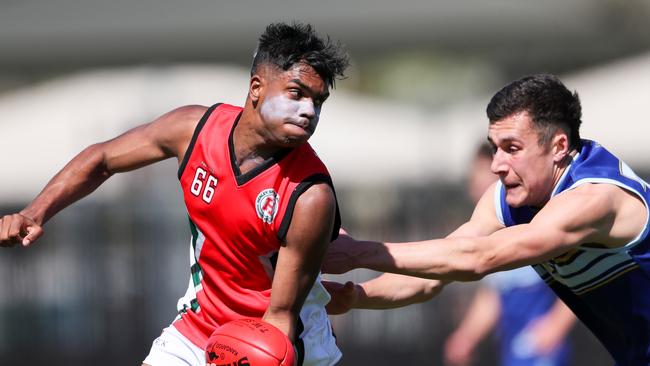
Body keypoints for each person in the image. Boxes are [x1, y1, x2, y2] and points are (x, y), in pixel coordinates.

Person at [0, 22, 349, 366]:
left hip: (275, 348)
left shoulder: (310, 195)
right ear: (256, 87)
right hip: (198, 331)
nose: (309, 112)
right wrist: (35, 213)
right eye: (296, 93)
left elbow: (280, 318)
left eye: (318, 101)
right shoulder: (194, 130)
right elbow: (102, 159)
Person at [323, 74, 650, 365]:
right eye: (495, 148)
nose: (496, 164)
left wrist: (357, 252)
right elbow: (433, 275)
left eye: (512, 148)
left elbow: (480, 258)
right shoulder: (507, 199)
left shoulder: (594, 199)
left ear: (559, 146)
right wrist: (356, 296)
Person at [444, 143, 574, 366]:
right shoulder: (491, 234)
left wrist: (556, 325)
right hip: (513, 347)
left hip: (541, 349)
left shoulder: (537, 221)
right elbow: (494, 295)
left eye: (479, 176)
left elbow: (580, 276)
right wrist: (467, 336)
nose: (473, 187)